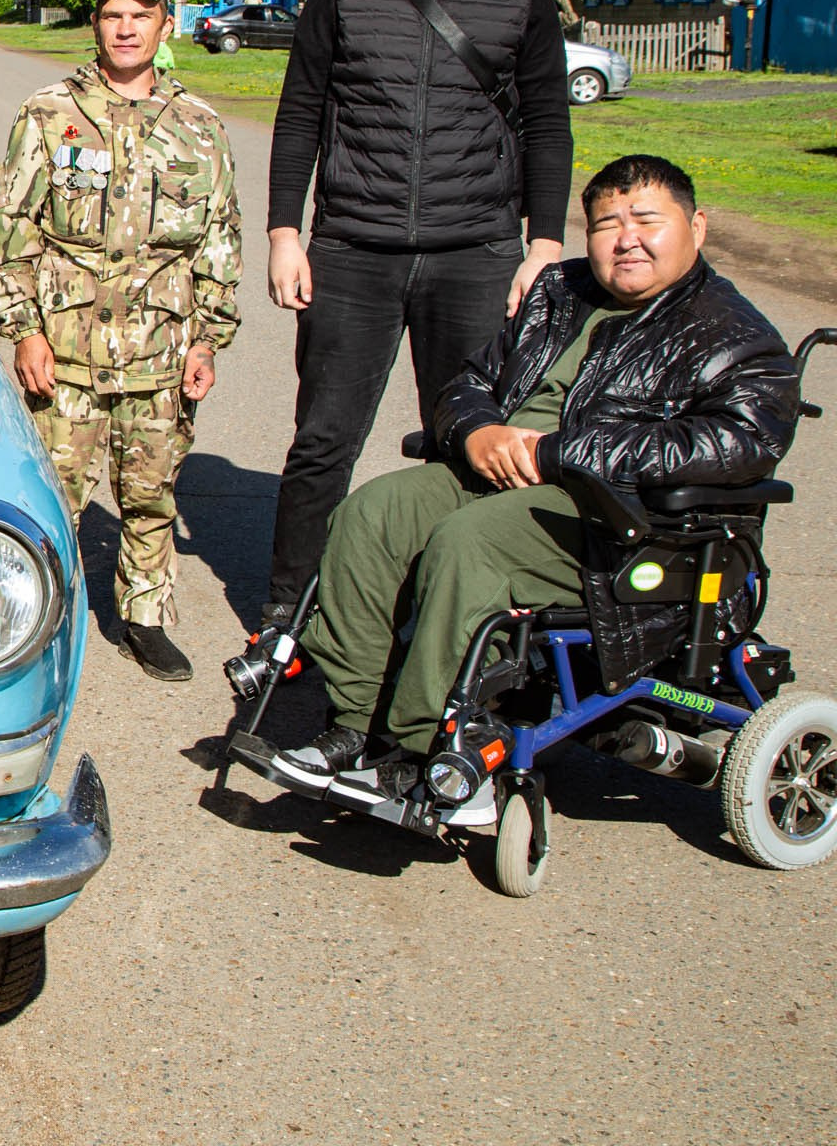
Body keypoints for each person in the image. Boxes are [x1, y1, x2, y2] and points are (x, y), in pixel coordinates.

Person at [275, 155, 800, 789]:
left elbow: (739, 441)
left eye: (646, 220)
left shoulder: (736, 335)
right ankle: (356, 721)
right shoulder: (559, 292)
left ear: (698, 226)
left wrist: (564, 452)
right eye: (606, 224)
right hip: (502, 475)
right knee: (374, 510)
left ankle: (424, 745)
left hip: (622, 521)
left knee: (472, 543)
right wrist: (477, 431)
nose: (625, 238)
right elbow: (470, 380)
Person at [260, 0, 574, 633]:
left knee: (464, 441)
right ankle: (290, 610)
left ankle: (439, 610)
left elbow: (547, 124)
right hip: (354, 251)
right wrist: (285, 233)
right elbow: (300, 117)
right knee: (324, 441)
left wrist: (543, 244)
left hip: (474, 252)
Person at [0, 0, 242, 680]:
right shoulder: (48, 113)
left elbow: (219, 239)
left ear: (165, 25)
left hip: (161, 349)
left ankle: (144, 616)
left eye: (141, 14)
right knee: (50, 496)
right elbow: (11, 230)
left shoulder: (199, 127)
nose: (126, 27)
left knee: (151, 493)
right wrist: (24, 328)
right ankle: (37, 617)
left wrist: (208, 340)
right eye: (112, 14)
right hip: (65, 349)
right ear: (96, 25)